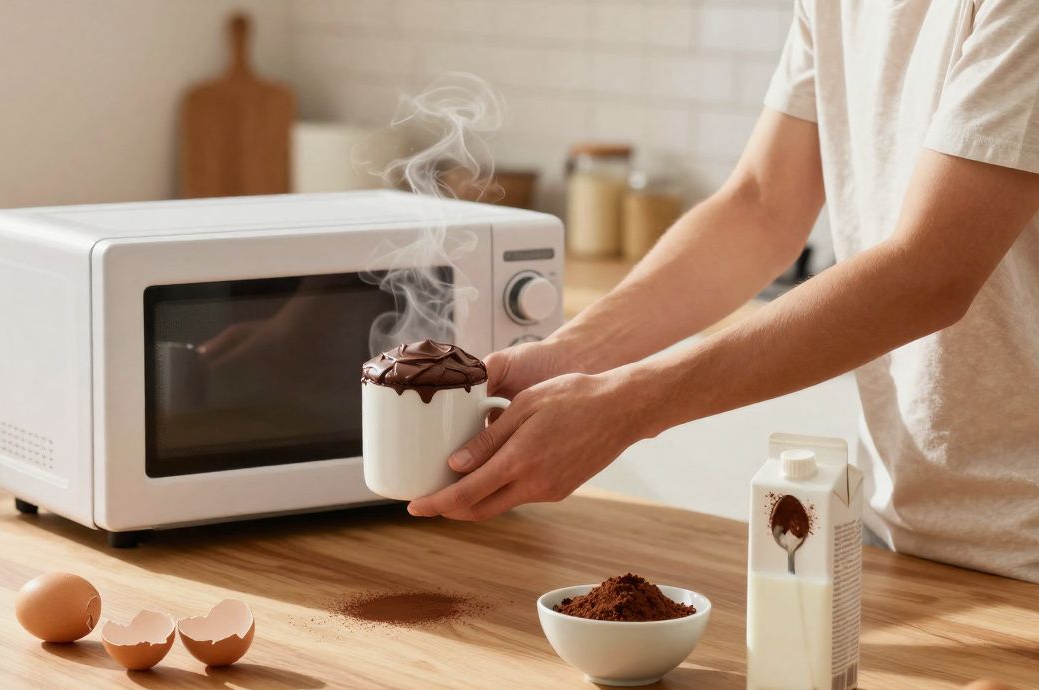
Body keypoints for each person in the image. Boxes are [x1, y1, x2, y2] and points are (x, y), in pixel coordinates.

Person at [408, 1, 1039, 584]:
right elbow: (761, 205)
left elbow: (929, 275)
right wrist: (576, 352)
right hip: (897, 528)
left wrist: (628, 406)